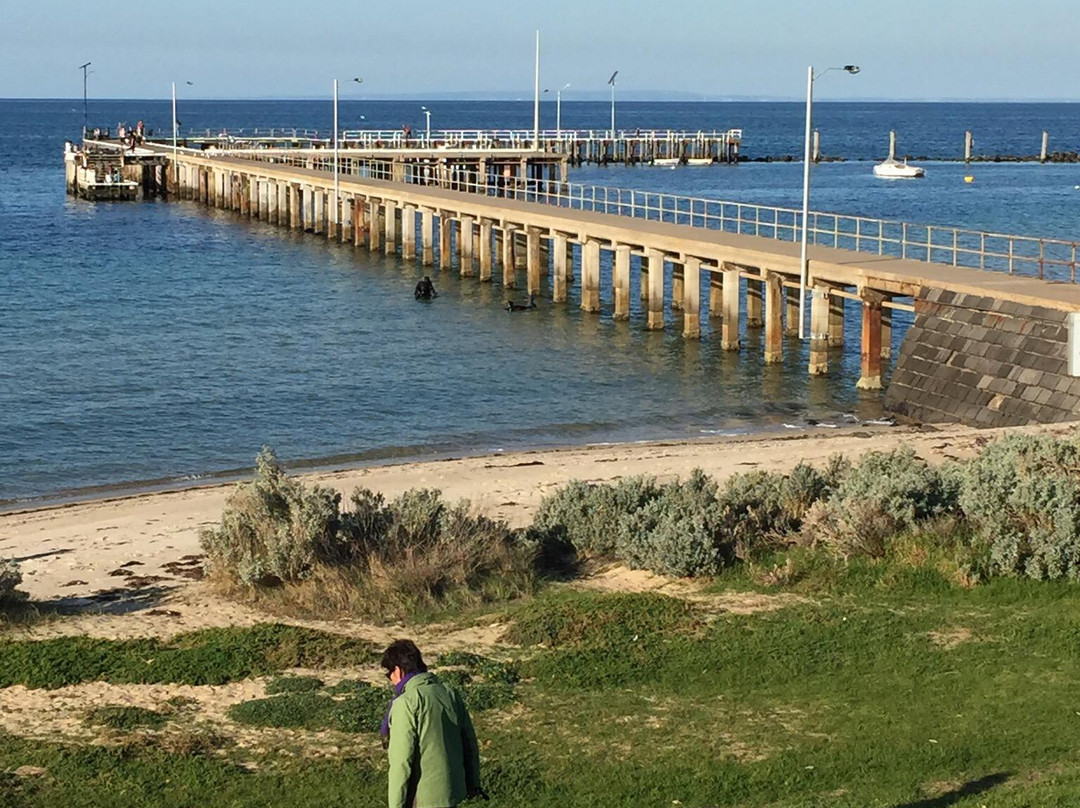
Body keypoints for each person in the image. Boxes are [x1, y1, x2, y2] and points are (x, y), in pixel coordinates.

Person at [380, 640, 483, 808]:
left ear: (398, 670)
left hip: (422, 798)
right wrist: (473, 783)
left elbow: (401, 762)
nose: (390, 680)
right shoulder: (449, 693)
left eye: (388, 674)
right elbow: (469, 742)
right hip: (452, 792)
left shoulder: (406, 703)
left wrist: (396, 805)